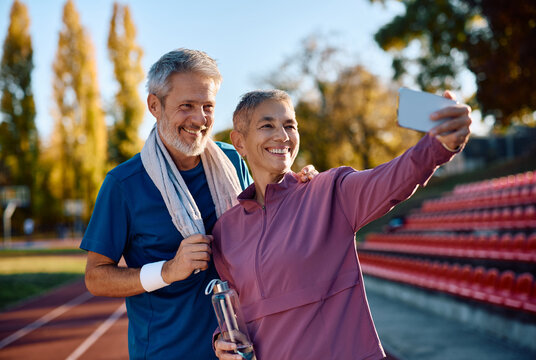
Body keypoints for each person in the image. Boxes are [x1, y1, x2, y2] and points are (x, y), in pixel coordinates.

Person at [80, 49, 316, 359]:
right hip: (167, 352)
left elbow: (269, 219)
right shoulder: (123, 184)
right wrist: (168, 270)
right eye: (186, 106)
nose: (199, 119)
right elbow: (96, 277)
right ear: (154, 105)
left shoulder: (234, 160)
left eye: (207, 106)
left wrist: (303, 188)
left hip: (241, 346)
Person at [212, 89, 471, 360]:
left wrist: (439, 145)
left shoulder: (328, 191)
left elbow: (393, 178)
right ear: (239, 142)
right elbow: (235, 312)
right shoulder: (225, 231)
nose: (283, 136)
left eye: (290, 125)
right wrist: (222, 339)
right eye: (267, 126)